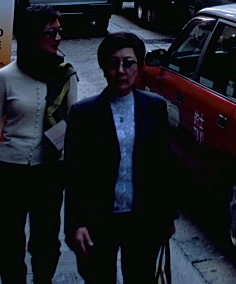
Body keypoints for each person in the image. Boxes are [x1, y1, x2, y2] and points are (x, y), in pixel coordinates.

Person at [65, 32, 177, 284]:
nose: (120, 71)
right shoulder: (84, 114)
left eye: (128, 63)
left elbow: (164, 168)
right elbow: (74, 175)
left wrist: (168, 216)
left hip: (143, 218)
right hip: (99, 219)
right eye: (113, 63)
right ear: (103, 67)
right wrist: (76, 224)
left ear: (139, 66)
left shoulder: (155, 107)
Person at [0, 6, 77, 284]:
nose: (58, 37)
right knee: (9, 240)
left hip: (49, 171)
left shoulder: (65, 75)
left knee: (46, 241)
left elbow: (74, 122)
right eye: (50, 32)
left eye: (59, 31)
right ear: (32, 37)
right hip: (9, 171)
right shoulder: (6, 77)